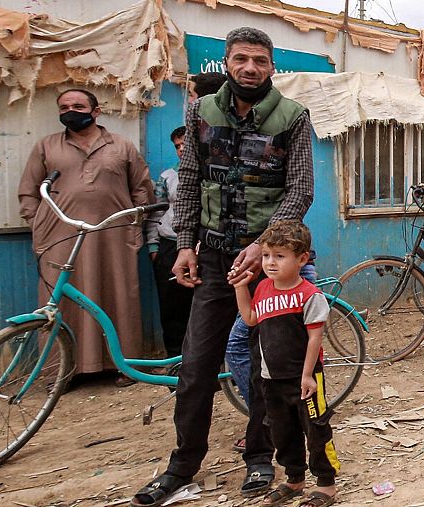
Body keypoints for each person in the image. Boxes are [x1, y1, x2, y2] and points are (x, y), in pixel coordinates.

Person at [130, 27, 315, 507]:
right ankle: (183, 463)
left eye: (259, 60)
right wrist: (186, 243)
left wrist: (264, 245)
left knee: (266, 366)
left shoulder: (293, 117)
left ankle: (259, 459)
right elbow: (190, 178)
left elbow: (299, 190)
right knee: (196, 365)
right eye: (241, 59)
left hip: (271, 264)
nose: (250, 67)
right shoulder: (201, 113)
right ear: (227, 64)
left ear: (272, 67)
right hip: (213, 259)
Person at [18, 89, 153, 386]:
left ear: (96, 111)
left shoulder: (122, 146)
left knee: (119, 295)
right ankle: (61, 372)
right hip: (61, 238)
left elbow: (142, 189)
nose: (70, 110)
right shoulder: (46, 146)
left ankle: (125, 366)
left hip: (113, 236)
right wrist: (40, 225)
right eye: (64, 106)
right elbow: (28, 192)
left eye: (78, 105)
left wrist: (132, 228)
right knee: (60, 301)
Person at [231, 221, 340, 507]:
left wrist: (307, 376)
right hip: (271, 379)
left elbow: (315, 338)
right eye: (267, 255)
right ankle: (294, 479)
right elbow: (251, 319)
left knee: (316, 430)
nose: (270, 263)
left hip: (304, 380)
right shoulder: (264, 288)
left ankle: (326, 484)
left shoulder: (309, 295)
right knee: (282, 431)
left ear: (301, 259)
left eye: (280, 256)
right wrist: (241, 288)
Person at [145, 126, 195, 358]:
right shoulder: (167, 177)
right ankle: (177, 363)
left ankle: (218, 367)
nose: (182, 149)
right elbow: (156, 212)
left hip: (201, 246)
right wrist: (154, 247)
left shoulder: (211, 173)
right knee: (173, 309)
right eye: (177, 146)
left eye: (186, 143)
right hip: (169, 246)